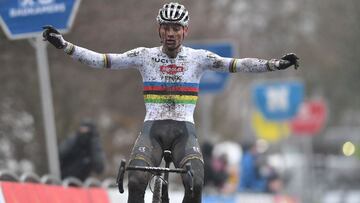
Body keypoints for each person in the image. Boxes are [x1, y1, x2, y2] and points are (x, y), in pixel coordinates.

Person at [42, 2, 299, 202]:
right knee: (136, 179)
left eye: (176, 28)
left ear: (185, 31)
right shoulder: (144, 56)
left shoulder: (198, 58)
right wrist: (65, 46)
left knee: (196, 180)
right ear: (159, 29)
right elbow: (102, 60)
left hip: (183, 133)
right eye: (166, 27)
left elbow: (237, 65)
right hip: (152, 131)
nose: (171, 33)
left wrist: (273, 65)